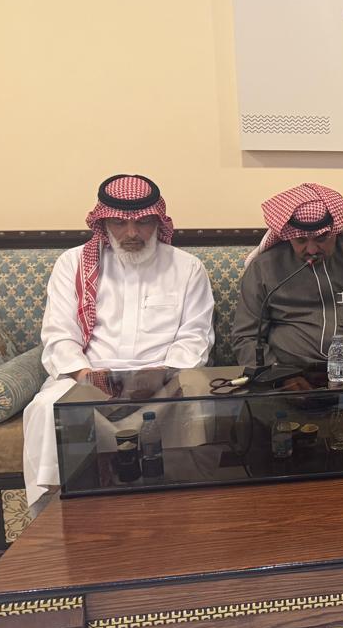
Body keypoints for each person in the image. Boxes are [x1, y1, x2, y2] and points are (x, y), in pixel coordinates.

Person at [21, 175, 215, 507]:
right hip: (88, 382)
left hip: (164, 384)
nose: (131, 233)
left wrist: (161, 374)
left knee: (199, 399)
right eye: (120, 223)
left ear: (158, 221)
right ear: (103, 222)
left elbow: (195, 336)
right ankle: (58, 514)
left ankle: (187, 506)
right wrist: (86, 376)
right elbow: (59, 334)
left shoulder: (187, 268)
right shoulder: (73, 264)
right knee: (46, 407)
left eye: (143, 222)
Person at [232, 183, 343, 371]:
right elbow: (246, 338)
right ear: (288, 236)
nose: (311, 250)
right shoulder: (263, 268)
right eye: (301, 240)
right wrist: (278, 377)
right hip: (284, 377)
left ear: (335, 232)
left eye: (321, 238)